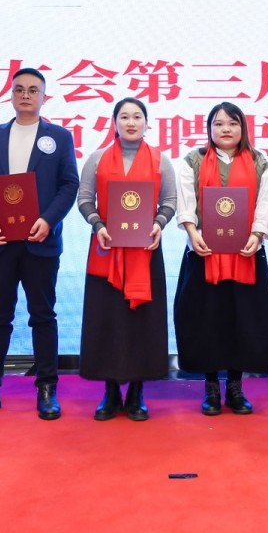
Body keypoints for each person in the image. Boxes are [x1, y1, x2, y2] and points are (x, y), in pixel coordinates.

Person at [0, 68, 80, 422]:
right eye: (19, 90)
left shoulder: (59, 137)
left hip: (40, 240)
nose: (26, 95)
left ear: (44, 97)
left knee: (43, 315)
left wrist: (49, 221)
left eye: (33, 90)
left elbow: (69, 185)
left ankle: (47, 388)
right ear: (10, 95)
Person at [174, 102, 268, 415]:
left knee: (242, 320)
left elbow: (265, 204)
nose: (225, 129)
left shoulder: (259, 161)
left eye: (232, 123)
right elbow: (186, 203)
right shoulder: (193, 160)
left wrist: (257, 235)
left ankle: (235, 386)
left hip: (246, 253)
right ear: (209, 129)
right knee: (207, 320)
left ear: (242, 128)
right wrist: (193, 233)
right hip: (204, 253)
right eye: (218, 124)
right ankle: (210, 387)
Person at [77, 98, 177, 421]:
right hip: (106, 248)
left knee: (141, 322)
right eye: (124, 117)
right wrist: (98, 225)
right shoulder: (97, 159)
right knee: (107, 320)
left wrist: (159, 224)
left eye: (137, 117)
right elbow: (84, 198)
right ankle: (110, 392)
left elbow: (170, 201)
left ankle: (136, 392)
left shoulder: (161, 161)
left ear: (147, 123)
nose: (131, 122)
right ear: (115, 122)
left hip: (145, 251)